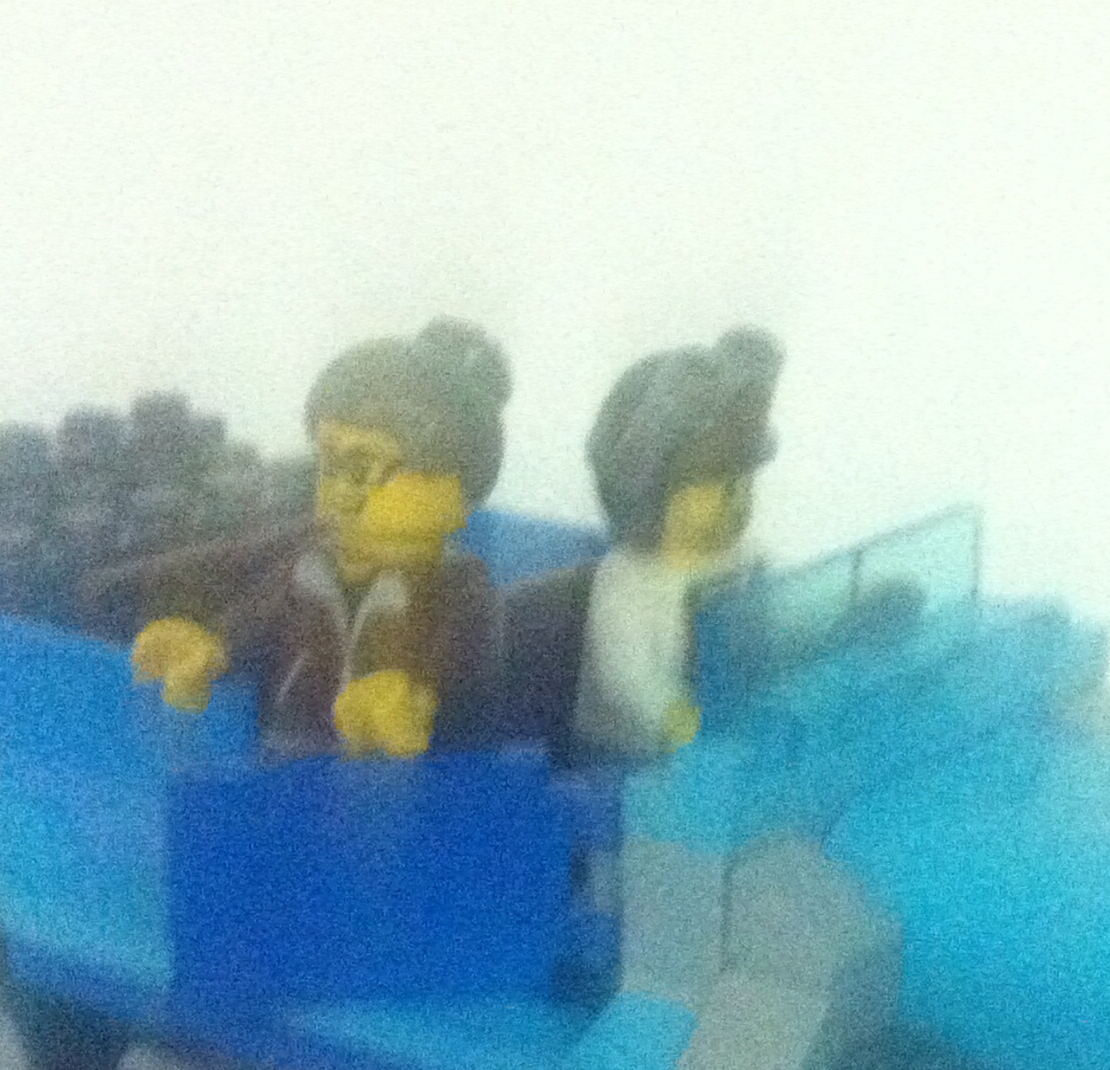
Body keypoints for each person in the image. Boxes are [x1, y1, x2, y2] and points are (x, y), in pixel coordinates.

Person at [85, 319, 508, 757]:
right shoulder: (311, 564)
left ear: (456, 490)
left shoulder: (460, 587)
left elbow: (462, 670)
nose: (341, 491)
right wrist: (210, 648)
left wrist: (410, 697)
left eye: (364, 469)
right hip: (288, 755)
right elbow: (259, 618)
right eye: (330, 464)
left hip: (406, 776)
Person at [572, 328, 782, 759]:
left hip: (727, 741)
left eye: (744, 481)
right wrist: (680, 722)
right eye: (716, 483)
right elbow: (627, 676)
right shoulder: (628, 580)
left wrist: (840, 622)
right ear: (651, 493)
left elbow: (776, 629)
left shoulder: (750, 560)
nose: (737, 497)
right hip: (631, 758)